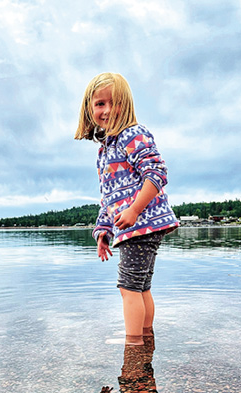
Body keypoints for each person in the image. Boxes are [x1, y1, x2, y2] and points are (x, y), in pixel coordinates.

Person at [75, 72, 179, 346]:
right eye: (99, 104)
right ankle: (145, 338)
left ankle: (133, 346)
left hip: (142, 224)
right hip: (137, 226)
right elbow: (109, 199)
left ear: (127, 104)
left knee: (128, 287)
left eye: (115, 102)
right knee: (141, 287)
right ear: (89, 109)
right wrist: (102, 233)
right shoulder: (105, 151)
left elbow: (156, 173)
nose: (107, 110)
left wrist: (133, 210)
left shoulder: (132, 134)